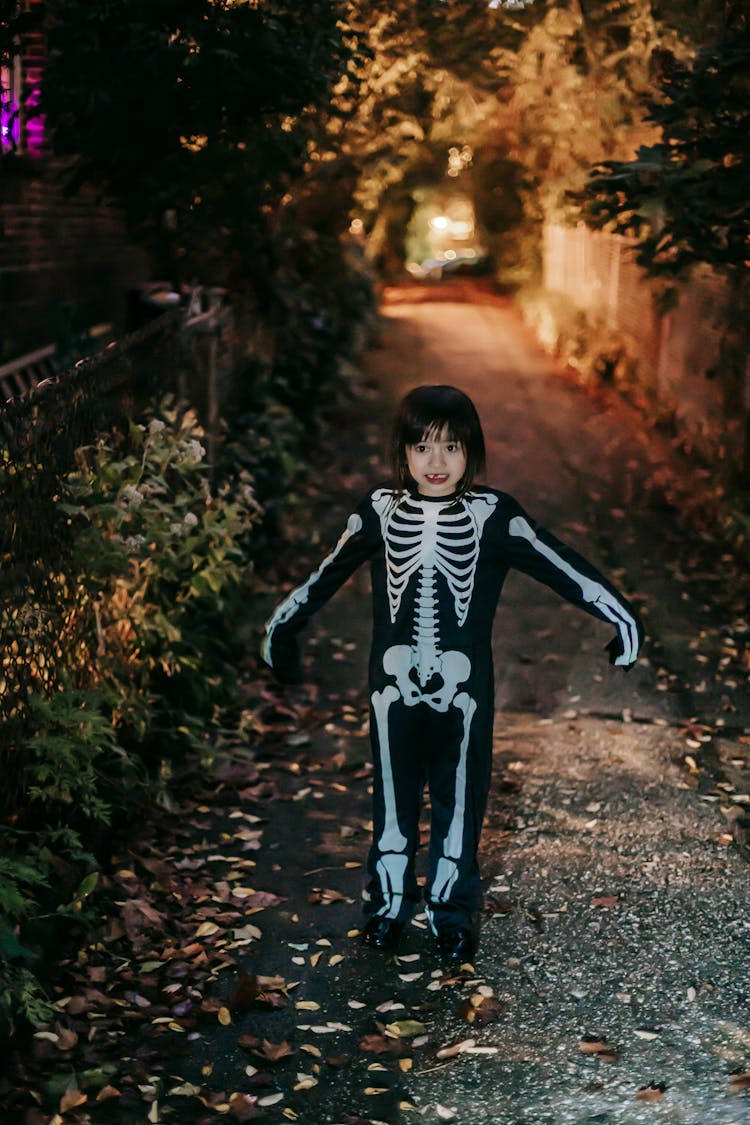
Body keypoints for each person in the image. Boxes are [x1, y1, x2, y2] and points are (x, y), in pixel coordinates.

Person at [261, 385, 643, 970]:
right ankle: (387, 908)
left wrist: (619, 615)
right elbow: (324, 574)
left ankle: (452, 914)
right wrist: (280, 631)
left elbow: (562, 564)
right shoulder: (380, 512)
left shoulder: (495, 517)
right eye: (421, 448)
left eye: (451, 448)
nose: (436, 463)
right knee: (391, 803)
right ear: (403, 454)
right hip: (391, 693)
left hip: (465, 695)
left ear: (472, 453)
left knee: (460, 804)